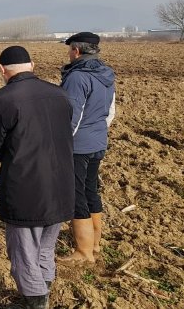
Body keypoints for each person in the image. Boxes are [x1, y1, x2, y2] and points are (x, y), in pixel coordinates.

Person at [0, 46, 74, 309]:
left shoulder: (1, 100)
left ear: (2, 70)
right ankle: (43, 288)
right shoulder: (60, 94)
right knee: (45, 245)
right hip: (62, 185)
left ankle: (34, 303)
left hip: (26, 189)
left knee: (23, 251)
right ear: (32, 65)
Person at [59, 32, 116, 264]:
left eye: (70, 49)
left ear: (77, 51)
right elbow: (110, 111)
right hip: (98, 142)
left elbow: (71, 116)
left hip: (78, 146)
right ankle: (95, 244)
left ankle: (83, 252)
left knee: (76, 195)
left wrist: (62, 144)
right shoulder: (106, 74)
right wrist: (96, 133)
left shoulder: (77, 77)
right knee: (91, 190)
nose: (69, 53)